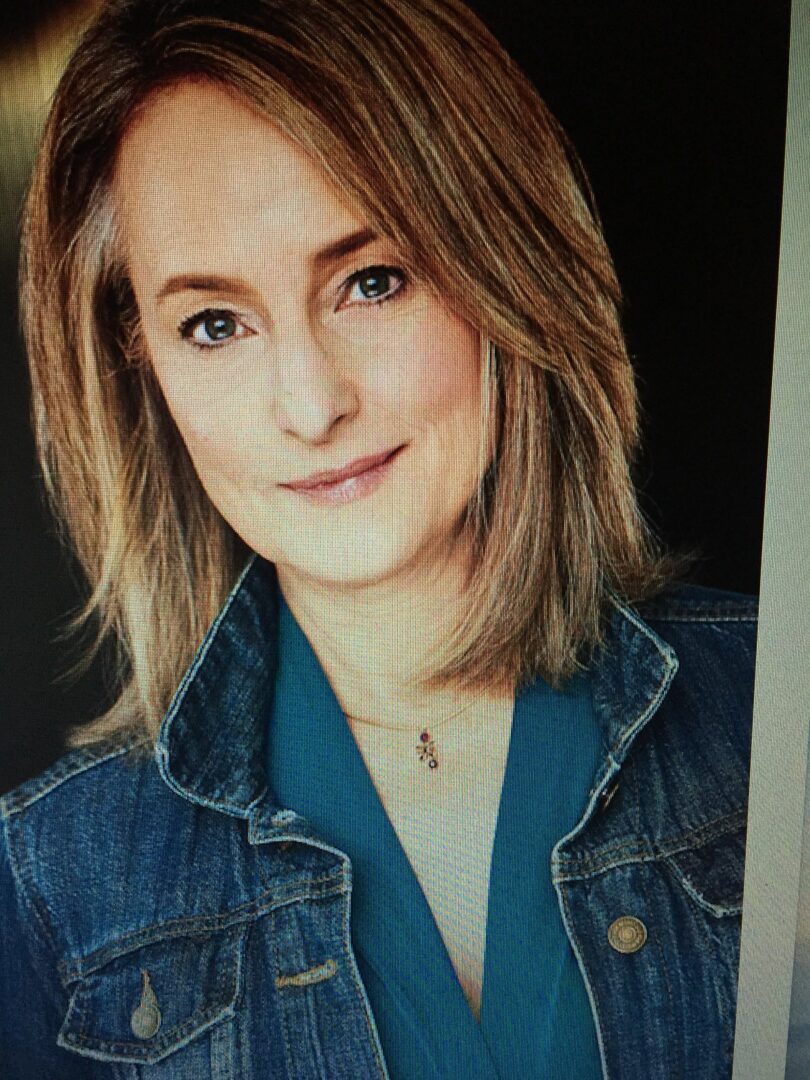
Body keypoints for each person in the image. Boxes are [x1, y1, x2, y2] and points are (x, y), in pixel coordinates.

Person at [0, 1, 757, 1077]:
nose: (311, 407)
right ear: (142, 367)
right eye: (214, 324)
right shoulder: (50, 883)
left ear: (508, 268)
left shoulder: (778, 709)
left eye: (372, 282)